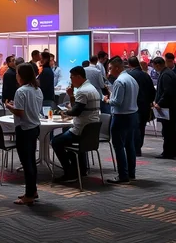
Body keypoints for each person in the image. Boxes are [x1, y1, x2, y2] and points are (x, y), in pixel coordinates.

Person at [51, 66, 100, 182]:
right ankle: (81, 169)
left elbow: (76, 111)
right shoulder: (92, 89)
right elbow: (79, 109)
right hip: (90, 129)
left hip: (81, 129)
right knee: (67, 140)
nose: (70, 80)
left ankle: (69, 171)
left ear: (78, 77)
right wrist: (72, 96)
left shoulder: (83, 91)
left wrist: (64, 112)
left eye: (71, 77)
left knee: (56, 141)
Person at [5, 63, 43, 205]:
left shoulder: (21, 91)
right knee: (31, 161)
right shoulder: (37, 89)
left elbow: (20, 112)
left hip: (24, 128)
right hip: (34, 127)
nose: (16, 76)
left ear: (21, 75)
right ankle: (32, 190)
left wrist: (9, 107)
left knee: (27, 163)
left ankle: (29, 195)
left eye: (17, 73)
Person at [104, 56, 139, 184]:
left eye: (110, 68)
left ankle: (123, 175)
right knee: (130, 145)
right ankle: (131, 173)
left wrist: (107, 100)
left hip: (121, 117)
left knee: (118, 146)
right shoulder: (131, 79)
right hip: (132, 115)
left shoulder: (119, 81)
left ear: (117, 68)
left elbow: (117, 102)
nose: (109, 71)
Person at [152, 56, 176, 159]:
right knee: (171, 130)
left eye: (154, 66)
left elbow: (167, 91)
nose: (154, 69)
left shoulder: (165, 75)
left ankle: (168, 152)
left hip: (169, 108)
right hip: (172, 107)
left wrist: (159, 103)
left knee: (168, 131)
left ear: (158, 65)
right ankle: (172, 151)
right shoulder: (168, 73)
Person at [127, 56, 156, 156]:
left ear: (129, 65)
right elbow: (152, 91)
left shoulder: (129, 76)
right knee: (141, 127)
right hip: (145, 106)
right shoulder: (146, 75)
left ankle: (134, 148)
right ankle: (138, 147)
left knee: (133, 127)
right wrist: (150, 102)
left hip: (133, 106)